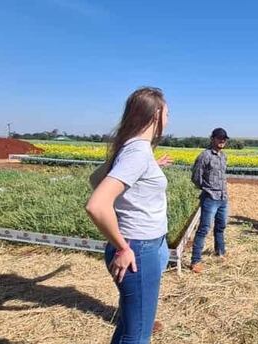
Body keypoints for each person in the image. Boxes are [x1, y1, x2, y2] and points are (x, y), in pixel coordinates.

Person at [85, 87, 172, 343]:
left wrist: (149, 166)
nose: (168, 119)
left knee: (128, 326)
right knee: (137, 335)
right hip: (138, 249)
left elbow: (94, 179)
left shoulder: (134, 149)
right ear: (156, 114)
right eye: (167, 113)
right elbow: (97, 204)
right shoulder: (138, 152)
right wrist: (123, 247)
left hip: (148, 245)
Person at [190, 128, 230, 274]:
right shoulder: (204, 156)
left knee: (221, 226)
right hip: (210, 198)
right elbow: (195, 177)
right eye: (219, 138)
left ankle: (220, 252)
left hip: (223, 197)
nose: (222, 141)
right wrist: (207, 189)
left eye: (224, 138)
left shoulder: (223, 156)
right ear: (212, 139)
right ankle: (195, 261)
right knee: (204, 229)